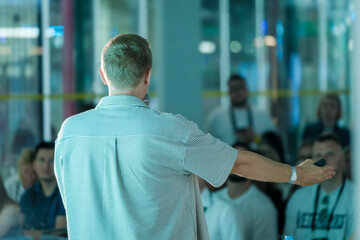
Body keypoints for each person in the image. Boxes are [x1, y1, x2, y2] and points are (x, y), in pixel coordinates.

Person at [54, 33, 335, 239]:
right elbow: (237, 163)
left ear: (104, 75)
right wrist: (296, 175)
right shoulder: (171, 131)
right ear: (148, 75)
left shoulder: (69, 133)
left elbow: (72, 200)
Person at [284, 133, 355, 240]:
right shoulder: (298, 198)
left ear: (343, 160)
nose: (323, 160)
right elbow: (288, 237)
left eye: (329, 154)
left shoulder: (356, 197)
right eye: (318, 155)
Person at [205, 74, 276, 145]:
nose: (237, 92)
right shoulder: (217, 117)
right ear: (228, 92)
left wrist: (256, 138)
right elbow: (206, 145)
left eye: (240, 87)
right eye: (233, 89)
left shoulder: (262, 116)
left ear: (247, 89)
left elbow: (274, 145)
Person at [20, 141, 66, 240]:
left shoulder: (64, 195)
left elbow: (58, 235)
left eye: (52, 160)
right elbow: (17, 230)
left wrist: (28, 234)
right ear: (34, 164)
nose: (46, 165)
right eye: (42, 160)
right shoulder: (28, 195)